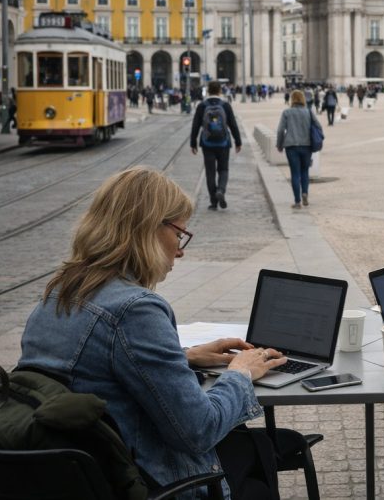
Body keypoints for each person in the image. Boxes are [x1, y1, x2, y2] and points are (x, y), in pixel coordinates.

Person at [17, 168, 290, 500]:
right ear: (149, 229)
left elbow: (95, 371)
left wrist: (185, 357)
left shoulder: (58, 292)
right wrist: (240, 372)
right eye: (180, 234)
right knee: (265, 450)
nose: (180, 250)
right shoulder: (136, 309)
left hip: (75, 474)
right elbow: (198, 430)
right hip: (139, 480)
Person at [190, 81, 241, 211]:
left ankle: (213, 202)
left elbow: (195, 125)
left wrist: (193, 142)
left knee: (210, 172)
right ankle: (221, 191)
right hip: (224, 143)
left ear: (208, 91)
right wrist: (238, 141)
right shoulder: (225, 105)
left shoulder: (202, 106)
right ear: (220, 91)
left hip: (207, 144)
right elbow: (233, 125)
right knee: (223, 169)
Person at [276, 89, 321, 209]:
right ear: (302, 99)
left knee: (295, 173)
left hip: (291, 146)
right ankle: (305, 193)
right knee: (305, 171)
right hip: (306, 146)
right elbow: (319, 126)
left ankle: (297, 201)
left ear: (292, 99)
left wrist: (279, 145)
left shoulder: (286, 112)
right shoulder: (308, 112)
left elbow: (280, 130)